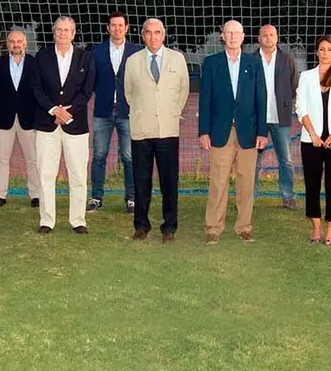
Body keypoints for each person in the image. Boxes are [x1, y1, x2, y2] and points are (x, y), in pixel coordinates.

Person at [199, 20, 268, 245]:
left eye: (236, 33)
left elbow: (261, 98)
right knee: (218, 182)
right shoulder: (211, 63)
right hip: (220, 132)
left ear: (243, 36)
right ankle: (213, 228)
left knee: (246, 182)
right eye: (228, 33)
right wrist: (203, 131)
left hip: (248, 132)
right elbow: (205, 100)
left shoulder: (254, 63)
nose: (232, 36)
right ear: (222, 36)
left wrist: (262, 131)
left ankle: (244, 227)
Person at [125, 18, 189, 243]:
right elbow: (129, 94)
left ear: (164, 35)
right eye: (148, 33)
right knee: (141, 180)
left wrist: (169, 112)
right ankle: (141, 225)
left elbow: (183, 90)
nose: (153, 37)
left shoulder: (177, 59)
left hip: (168, 130)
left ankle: (169, 226)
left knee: (169, 181)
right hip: (141, 130)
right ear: (143, 36)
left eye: (157, 32)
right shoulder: (132, 61)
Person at [31, 16, 95, 234]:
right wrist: (53, 110)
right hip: (46, 125)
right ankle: (47, 220)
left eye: (67, 30)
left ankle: (78, 220)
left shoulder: (85, 58)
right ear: (54, 32)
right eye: (59, 30)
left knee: (78, 175)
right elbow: (36, 88)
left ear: (74, 33)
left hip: (75, 125)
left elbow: (87, 90)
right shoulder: (42, 56)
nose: (62, 34)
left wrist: (67, 112)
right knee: (46, 175)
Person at [294, 36, 331, 245]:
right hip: (312, 141)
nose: (325, 53)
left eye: (329, 49)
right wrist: (313, 135)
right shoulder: (306, 77)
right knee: (312, 184)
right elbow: (300, 107)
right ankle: (316, 227)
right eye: (322, 49)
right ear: (317, 52)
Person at [90, 11, 141, 213]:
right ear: (108, 28)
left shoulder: (136, 51)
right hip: (102, 111)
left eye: (121, 25)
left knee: (129, 156)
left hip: (127, 112)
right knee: (99, 156)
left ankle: (131, 198)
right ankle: (96, 197)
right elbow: (93, 80)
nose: (117, 28)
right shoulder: (97, 51)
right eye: (113, 25)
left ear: (126, 28)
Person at [0, 29, 40, 209]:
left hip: (29, 117)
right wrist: (7, 103)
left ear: (25, 44)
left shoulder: (35, 63)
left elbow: (39, 89)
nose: (16, 44)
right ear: (7, 44)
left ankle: (35, 194)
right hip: (5, 117)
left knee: (33, 159)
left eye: (19, 41)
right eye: (12, 41)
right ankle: (0, 195)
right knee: (1, 158)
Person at [252, 24, 299, 209]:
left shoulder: (287, 59)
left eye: (272, 35)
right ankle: (250, 196)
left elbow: (294, 85)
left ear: (277, 37)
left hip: (281, 118)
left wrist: (285, 102)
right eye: (265, 35)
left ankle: (288, 196)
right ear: (259, 38)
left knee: (286, 159)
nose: (268, 38)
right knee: (253, 161)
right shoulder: (251, 59)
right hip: (257, 119)